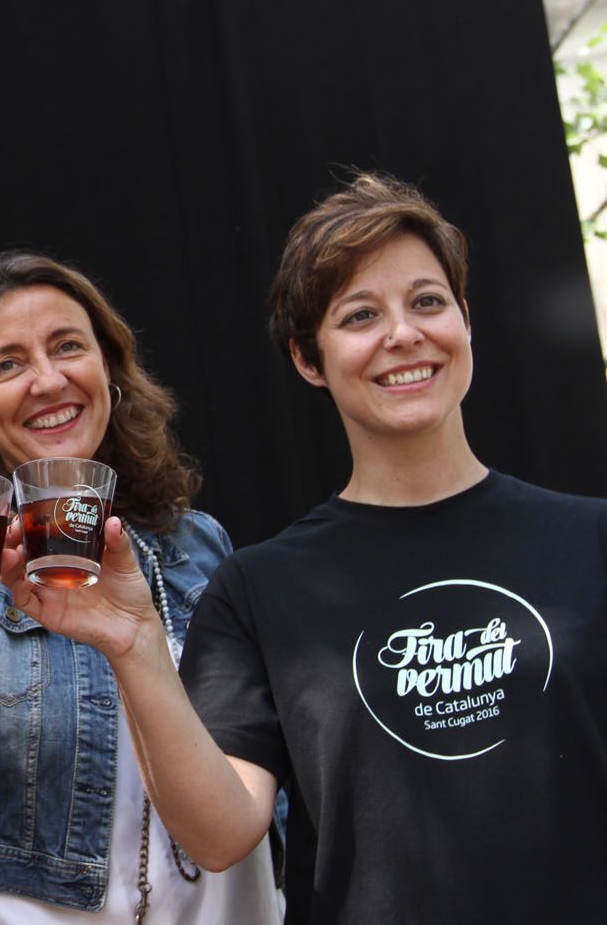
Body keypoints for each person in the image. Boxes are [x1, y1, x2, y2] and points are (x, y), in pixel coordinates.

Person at [34, 174, 607, 923]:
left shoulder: (591, 538)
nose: (403, 334)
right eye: (361, 314)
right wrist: (135, 642)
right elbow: (220, 832)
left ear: (466, 321)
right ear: (309, 357)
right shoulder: (259, 589)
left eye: (428, 301)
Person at [0, 252, 281, 923]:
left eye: (68, 346)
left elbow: (256, 783)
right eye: (8, 364)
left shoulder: (197, 545)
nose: (48, 380)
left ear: (108, 368)